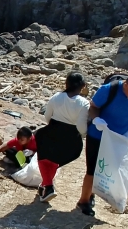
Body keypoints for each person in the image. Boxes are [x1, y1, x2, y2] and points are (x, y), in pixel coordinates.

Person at [76, 70, 128, 215]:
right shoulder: (108, 90)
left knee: (109, 169)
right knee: (93, 170)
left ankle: (97, 192)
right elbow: (93, 107)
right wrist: (96, 120)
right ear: (126, 85)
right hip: (98, 135)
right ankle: (84, 201)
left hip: (119, 138)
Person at [33, 72, 90, 202]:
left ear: (66, 83)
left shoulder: (56, 97)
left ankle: (47, 186)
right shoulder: (84, 103)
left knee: (44, 158)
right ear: (83, 86)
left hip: (52, 131)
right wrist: (83, 134)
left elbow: (47, 117)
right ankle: (47, 186)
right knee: (55, 161)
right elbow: (81, 127)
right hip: (71, 137)